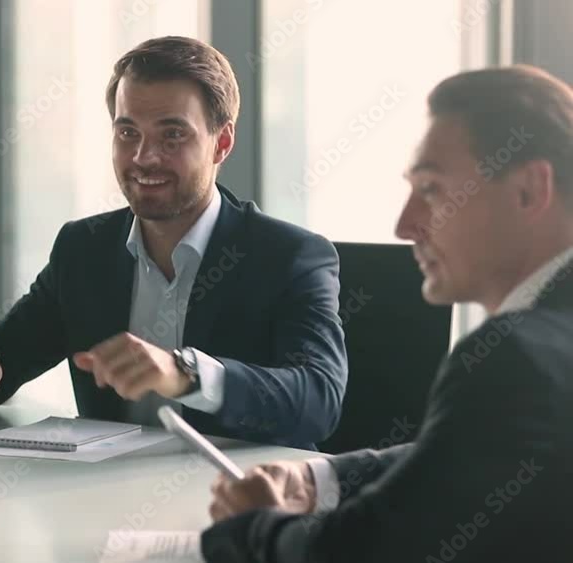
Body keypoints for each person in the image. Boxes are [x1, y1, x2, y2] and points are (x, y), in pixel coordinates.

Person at [202, 65, 573, 562]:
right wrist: (322, 478)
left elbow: (361, 553)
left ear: (529, 191)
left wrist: (251, 527)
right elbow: (464, 455)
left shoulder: (514, 357)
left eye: (432, 189)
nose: (405, 225)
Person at [0, 36, 348, 448]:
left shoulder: (289, 256)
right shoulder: (83, 249)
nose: (145, 157)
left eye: (172, 135)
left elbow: (318, 399)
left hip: (237, 502)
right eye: (128, 133)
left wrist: (187, 374)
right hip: (108, 503)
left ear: (221, 143)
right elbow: (0, 363)